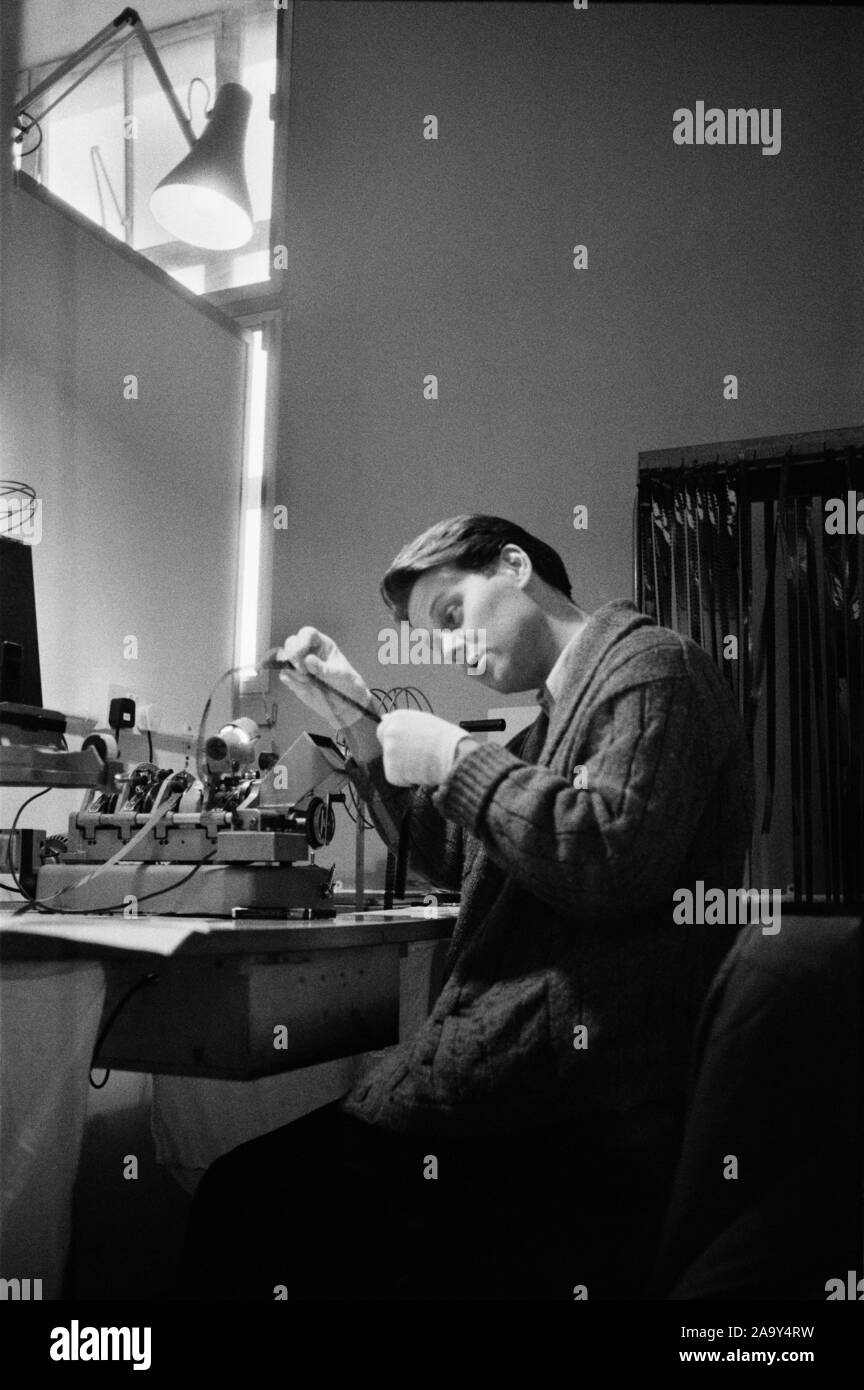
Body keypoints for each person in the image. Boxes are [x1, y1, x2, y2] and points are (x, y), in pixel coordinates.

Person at [181, 514, 754, 1301]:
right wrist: (360, 722)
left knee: (242, 1203)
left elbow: (610, 857)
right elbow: (458, 857)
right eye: (432, 638)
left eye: (451, 616)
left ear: (515, 565)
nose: (450, 649)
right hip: (523, 1094)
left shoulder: (655, 670)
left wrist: (458, 756)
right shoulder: (556, 719)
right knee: (254, 1196)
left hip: (575, 1110)